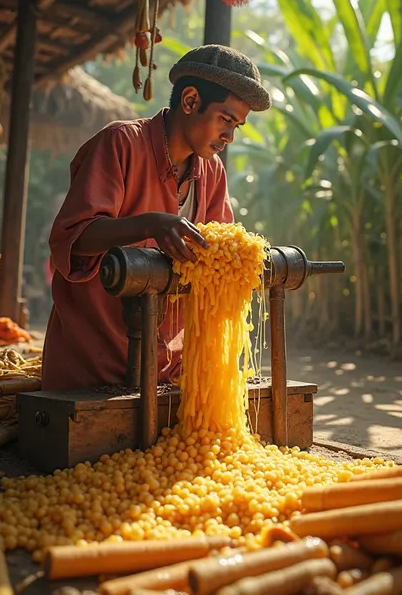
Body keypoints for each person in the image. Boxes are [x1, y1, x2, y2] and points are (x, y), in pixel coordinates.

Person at [41, 45, 271, 390]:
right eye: (225, 120)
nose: (229, 137)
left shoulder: (212, 173)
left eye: (236, 126)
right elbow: (72, 238)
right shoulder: (120, 144)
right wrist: (149, 224)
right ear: (191, 101)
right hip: (92, 366)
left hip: (169, 370)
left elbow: (216, 258)